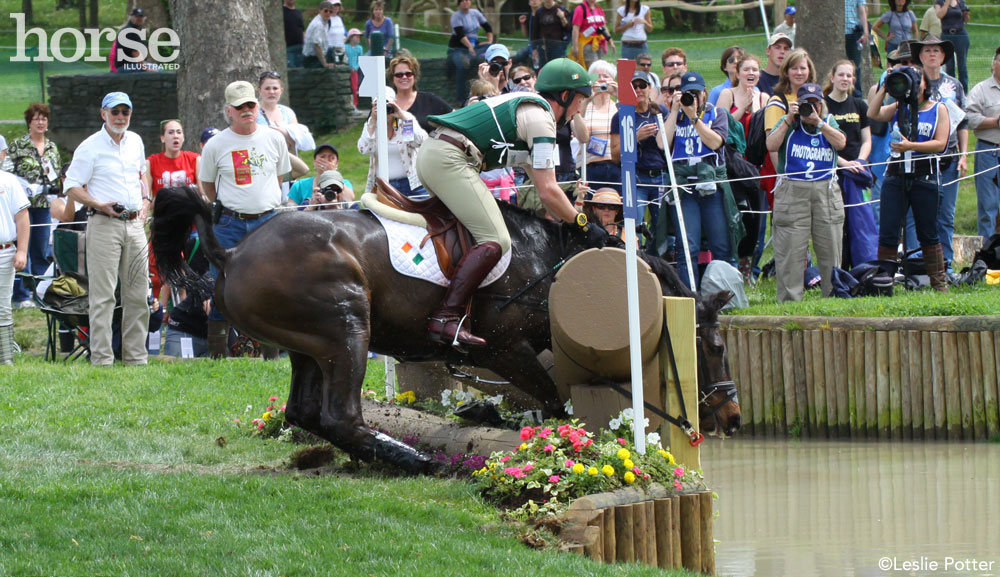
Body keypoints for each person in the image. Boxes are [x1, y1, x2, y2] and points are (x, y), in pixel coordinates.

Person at [415, 58, 607, 347]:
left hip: (437, 154)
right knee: (496, 238)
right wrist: (582, 223)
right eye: (580, 99)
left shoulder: (529, 108)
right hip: (450, 159)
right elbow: (548, 192)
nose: (580, 108)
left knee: (472, 233)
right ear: (565, 96)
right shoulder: (542, 120)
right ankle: (445, 317)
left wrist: (573, 216)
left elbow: (543, 183)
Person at [199, 81, 291, 357]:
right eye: (240, 107)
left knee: (271, 285)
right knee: (222, 285)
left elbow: (278, 177)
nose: (247, 111)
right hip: (229, 223)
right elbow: (208, 186)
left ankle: (271, 354)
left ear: (257, 105)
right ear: (229, 110)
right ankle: (217, 354)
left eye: (250, 105)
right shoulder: (215, 145)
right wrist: (230, 205)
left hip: (268, 221)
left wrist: (261, 202)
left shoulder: (274, 138)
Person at [64, 92, 151, 366]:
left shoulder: (135, 141)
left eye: (125, 112)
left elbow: (141, 174)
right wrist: (98, 204)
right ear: (103, 114)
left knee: (138, 295)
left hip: (136, 224)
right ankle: (102, 359)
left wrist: (146, 201)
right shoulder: (89, 147)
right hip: (103, 224)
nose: (120, 117)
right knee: (103, 296)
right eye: (115, 112)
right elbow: (71, 185)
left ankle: (136, 358)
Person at [868, 65, 951, 291]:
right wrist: (885, 86)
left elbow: (941, 143)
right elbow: (872, 113)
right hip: (895, 175)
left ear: (925, 84)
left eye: (917, 80)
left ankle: (939, 283)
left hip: (925, 176)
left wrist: (910, 146)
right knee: (888, 230)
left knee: (928, 231)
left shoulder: (938, 108)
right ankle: (883, 283)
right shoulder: (898, 106)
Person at [766, 83, 848, 302]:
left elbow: (841, 143)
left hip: (826, 191)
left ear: (821, 105)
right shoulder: (790, 124)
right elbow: (771, 145)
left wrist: (819, 123)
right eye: (806, 104)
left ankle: (833, 296)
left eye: (815, 103)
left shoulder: (828, 122)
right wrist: (787, 119)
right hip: (793, 190)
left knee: (830, 245)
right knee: (791, 250)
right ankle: (790, 300)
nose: (811, 108)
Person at [663, 71, 733, 289]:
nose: (693, 98)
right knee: (688, 246)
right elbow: (661, 144)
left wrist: (694, 118)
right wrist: (675, 112)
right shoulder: (675, 115)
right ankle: (689, 296)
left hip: (711, 188)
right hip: (686, 190)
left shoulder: (717, 113)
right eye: (687, 93)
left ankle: (724, 294)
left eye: (697, 93)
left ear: (704, 93)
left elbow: (715, 143)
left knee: (720, 244)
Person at [905, 35, 967, 271]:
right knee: (913, 215)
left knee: (945, 215)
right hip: (917, 158)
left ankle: (946, 266)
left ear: (943, 57)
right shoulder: (911, 83)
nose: (932, 54)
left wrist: (963, 155)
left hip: (947, 157)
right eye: (927, 50)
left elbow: (963, 123)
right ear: (920, 57)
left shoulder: (955, 85)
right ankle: (914, 263)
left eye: (937, 51)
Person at [7, 102, 62, 310]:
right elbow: (7, 173)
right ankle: (20, 295)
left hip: (43, 206)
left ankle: (40, 292)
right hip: (21, 207)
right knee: (22, 249)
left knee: (40, 249)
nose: (40, 122)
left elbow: (56, 174)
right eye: (36, 119)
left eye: (44, 119)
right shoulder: (18, 145)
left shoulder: (51, 147)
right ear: (29, 122)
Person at [824, 60, 875, 268]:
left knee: (860, 221)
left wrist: (860, 162)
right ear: (832, 77)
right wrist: (844, 163)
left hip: (857, 172)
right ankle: (839, 266)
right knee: (838, 221)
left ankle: (861, 265)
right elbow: (823, 143)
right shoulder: (824, 105)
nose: (845, 79)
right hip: (834, 170)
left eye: (849, 75)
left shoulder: (859, 105)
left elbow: (867, 140)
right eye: (841, 74)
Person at [611, 70, 669, 250]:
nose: (638, 90)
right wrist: (635, 137)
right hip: (636, 177)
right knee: (634, 225)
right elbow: (614, 154)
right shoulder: (621, 116)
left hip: (660, 176)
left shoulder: (661, 112)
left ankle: (658, 264)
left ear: (650, 88)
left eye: (642, 85)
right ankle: (636, 265)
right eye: (633, 86)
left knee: (661, 227)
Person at [358, 88, 428, 197]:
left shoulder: (405, 120)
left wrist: (403, 117)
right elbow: (363, 149)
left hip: (412, 184)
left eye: (387, 105)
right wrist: (372, 120)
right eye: (379, 105)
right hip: (385, 185)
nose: (384, 109)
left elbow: (420, 141)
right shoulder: (372, 125)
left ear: (394, 104)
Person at [965, 47, 1000, 240]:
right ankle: (989, 258)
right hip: (989, 151)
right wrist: (994, 121)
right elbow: (967, 118)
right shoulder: (980, 90)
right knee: (988, 207)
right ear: (993, 64)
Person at [0, 169, 29, 365]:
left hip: (4, 251)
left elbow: (22, 216)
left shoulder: (8, 180)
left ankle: (5, 358)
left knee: (2, 307)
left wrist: (22, 250)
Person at [579, 59, 619, 194]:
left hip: (616, 165)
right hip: (590, 166)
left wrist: (620, 96)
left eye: (606, 76)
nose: (601, 80)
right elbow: (577, 126)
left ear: (613, 80)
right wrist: (586, 99)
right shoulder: (584, 106)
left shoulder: (618, 106)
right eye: (597, 76)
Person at [389, 53, 453, 134]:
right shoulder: (386, 103)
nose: (404, 77)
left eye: (408, 73)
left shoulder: (429, 100)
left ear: (414, 77)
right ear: (392, 79)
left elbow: (454, 117)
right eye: (399, 75)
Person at [448, 0, 494, 103]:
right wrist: (470, 47)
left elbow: (487, 27)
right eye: (462, 1)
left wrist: (488, 41)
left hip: (474, 45)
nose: (465, 2)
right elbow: (460, 34)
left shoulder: (475, 13)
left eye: (467, 0)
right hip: (459, 47)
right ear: (459, 3)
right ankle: (460, 98)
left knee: (491, 48)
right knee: (462, 66)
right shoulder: (456, 16)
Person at [144, 119, 200, 196]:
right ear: (162, 138)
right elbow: (146, 199)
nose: (175, 136)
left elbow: (204, 196)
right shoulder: (151, 162)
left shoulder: (195, 159)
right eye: (171, 132)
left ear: (183, 137)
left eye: (179, 132)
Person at [288, 143, 355, 206]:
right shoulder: (299, 185)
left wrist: (332, 174)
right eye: (322, 157)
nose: (326, 161)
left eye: (331, 158)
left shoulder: (345, 183)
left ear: (336, 163)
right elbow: (290, 211)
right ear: (314, 162)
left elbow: (350, 199)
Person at [717, 54, 769, 133]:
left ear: (759, 75)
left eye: (755, 70)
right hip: (733, 144)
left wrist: (754, 110)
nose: (751, 73)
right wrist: (742, 108)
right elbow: (720, 125)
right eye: (746, 70)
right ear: (738, 74)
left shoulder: (764, 98)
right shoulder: (727, 94)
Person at [935, 0, 970, 91]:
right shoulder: (940, 2)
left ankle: (964, 92)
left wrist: (966, 14)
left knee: (962, 66)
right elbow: (939, 15)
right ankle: (951, 91)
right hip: (947, 35)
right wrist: (947, 2)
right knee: (949, 66)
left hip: (961, 35)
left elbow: (966, 20)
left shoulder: (960, 2)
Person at [570, 0, 614, 70]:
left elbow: (604, 26)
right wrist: (575, 47)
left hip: (598, 44)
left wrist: (610, 41)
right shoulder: (580, 8)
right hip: (586, 44)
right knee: (593, 68)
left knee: (599, 67)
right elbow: (576, 28)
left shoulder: (599, 9)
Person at [532, 0, 571, 69]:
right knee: (544, 68)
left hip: (558, 45)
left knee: (558, 67)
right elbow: (535, 31)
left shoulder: (561, 9)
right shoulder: (539, 12)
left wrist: (562, 17)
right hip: (543, 45)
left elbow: (568, 28)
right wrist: (534, 48)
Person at [845, 0, 869, 94]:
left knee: (855, 65)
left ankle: (856, 94)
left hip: (852, 30)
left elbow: (862, 10)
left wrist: (865, 32)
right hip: (836, 30)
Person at [112, 8, 147, 73]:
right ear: (131, 17)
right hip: (126, 67)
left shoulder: (137, 31)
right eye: (136, 16)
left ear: (144, 18)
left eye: (141, 16)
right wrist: (146, 68)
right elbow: (135, 53)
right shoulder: (129, 31)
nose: (139, 18)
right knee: (158, 70)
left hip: (130, 66)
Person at [303, 1, 336, 68]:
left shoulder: (325, 22)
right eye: (326, 11)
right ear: (320, 11)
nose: (328, 13)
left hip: (318, 56)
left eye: (330, 11)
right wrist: (325, 64)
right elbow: (316, 46)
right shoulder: (318, 24)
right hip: (312, 59)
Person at [324, 0, 347, 65]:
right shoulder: (327, 19)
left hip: (341, 50)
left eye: (338, 5)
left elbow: (345, 33)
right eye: (334, 5)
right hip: (330, 51)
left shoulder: (340, 19)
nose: (336, 7)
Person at [284, 0, 305, 68]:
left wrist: (304, 43)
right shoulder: (281, 12)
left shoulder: (298, 12)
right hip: (288, 48)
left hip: (300, 47)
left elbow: (302, 29)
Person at [346, 28, 364, 107]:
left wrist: (355, 68)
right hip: (346, 70)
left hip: (355, 71)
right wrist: (348, 67)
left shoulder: (359, 48)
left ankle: (355, 104)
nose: (358, 38)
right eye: (357, 36)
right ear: (351, 37)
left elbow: (360, 60)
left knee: (354, 88)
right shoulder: (345, 47)